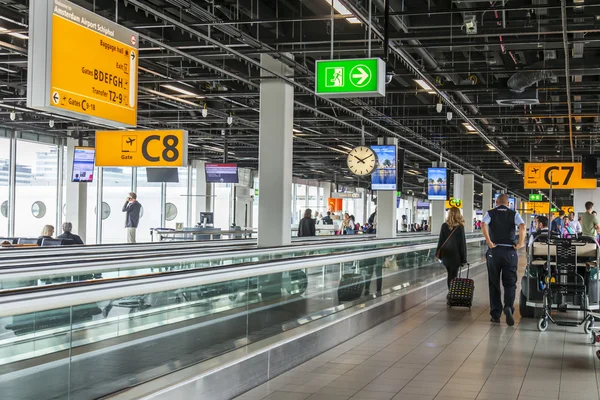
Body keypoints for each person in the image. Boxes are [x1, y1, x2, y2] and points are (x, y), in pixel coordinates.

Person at [481, 193, 526, 326]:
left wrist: (489, 241)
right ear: (508, 204)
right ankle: (508, 307)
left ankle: (495, 314)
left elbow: (483, 224)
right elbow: (522, 226)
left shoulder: (490, 213)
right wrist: (520, 243)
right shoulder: (513, 214)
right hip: (510, 252)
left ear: (496, 203)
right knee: (510, 283)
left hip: (494, 251)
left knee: (494, 283)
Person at [436, 207, 468, 289]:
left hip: (446, 255)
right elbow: (462, 244)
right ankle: (452, 294)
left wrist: (439, 255)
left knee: (449, 274)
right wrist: (463, 259)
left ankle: (450, 293)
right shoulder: (460, 227)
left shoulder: (444, 226)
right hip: (455, 256)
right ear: (458, 214)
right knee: (453, 275)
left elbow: (441, 241)